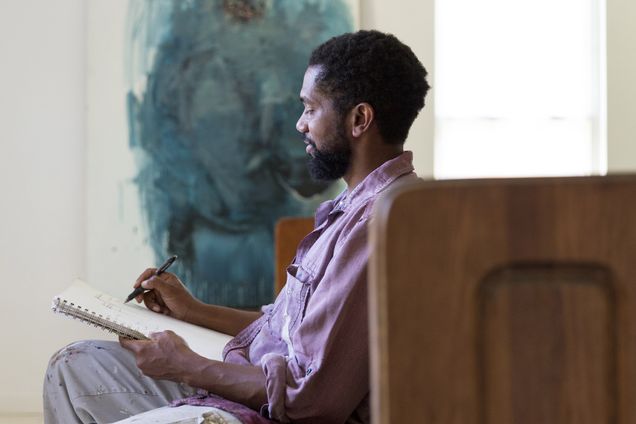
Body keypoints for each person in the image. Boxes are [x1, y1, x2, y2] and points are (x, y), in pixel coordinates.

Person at [43, 30, 429, 424]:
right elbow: (283, 329)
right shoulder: (350, 208)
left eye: (310, 109)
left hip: (276, 411)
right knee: (72, 367)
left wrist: (185, 366)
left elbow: (312, 401)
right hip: (252, 377)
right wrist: (193, 311)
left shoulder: (376, 227)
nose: (300, 125)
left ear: (359, 119)